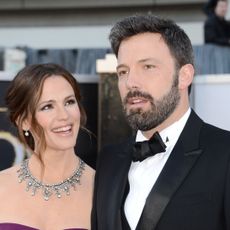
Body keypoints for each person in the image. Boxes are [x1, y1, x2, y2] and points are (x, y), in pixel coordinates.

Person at [91, 14, 230, 230]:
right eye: (123, 71)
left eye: (147, 67)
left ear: (184, 76)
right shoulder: (108, 160)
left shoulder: (225, 152)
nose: (131, 82)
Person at [0, 63, 95, 230]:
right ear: (23, 121)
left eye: (69, 102)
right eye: (47, 107)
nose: (64, 115)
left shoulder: (103, 190)